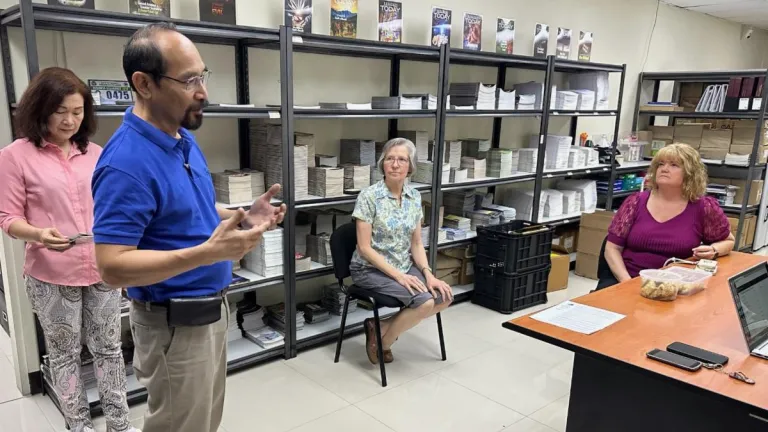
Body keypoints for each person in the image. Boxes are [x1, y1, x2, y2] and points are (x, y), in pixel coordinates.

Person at [91, 23, 286, 432]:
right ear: (144, 84)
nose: (203, 92)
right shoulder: (125, 164)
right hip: (173, 325)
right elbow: (111, 266)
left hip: (209, 309)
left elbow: (188, 208)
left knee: (201, 422)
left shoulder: (180, 138)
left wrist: (240, 214)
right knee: (180, 425)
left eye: (203, 76)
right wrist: (208, 253)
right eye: (189, 80)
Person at [0, 67, 137, 432]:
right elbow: (7, 216)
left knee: (109, 349)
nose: (70, 120)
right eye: (61, 110)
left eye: (77, 111)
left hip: (101, 267)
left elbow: (113, 205)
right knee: (64, 356)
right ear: (40, 108)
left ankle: (119, 425)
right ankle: (79, 426)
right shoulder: (16, 156)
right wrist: (38, 234)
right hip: (51, 273)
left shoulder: (96, 152)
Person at [351, 138, 454, 364]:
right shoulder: (369, 196)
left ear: (410, 166)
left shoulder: (414, 197)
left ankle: (380, 328)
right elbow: (364, 248)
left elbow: (416, 243)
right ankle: (384, 343)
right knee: (425, 302)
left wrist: (428, 275)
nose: (395, 164)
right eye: (390, 159)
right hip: (369, 269)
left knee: (444, 296)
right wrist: (399, 277)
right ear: (383, 164)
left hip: (403, 265)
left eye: (401, 159)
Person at [602, 143, 734, 289]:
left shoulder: (703, 207)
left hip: (674, 285)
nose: (664, 169)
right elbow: (612, 248)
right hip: (630, 279)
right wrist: (627, 283)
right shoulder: (635, 202)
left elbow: (728, 241)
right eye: (660, 164)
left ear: (690, 174)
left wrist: (714, 250)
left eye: (673, 165)